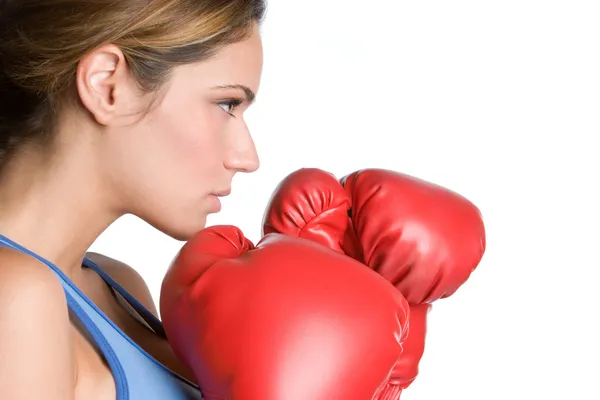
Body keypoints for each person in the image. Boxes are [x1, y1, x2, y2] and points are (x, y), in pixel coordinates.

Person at [0, 0, 266, 398]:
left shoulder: (121, 288)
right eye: (227, 104)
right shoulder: (13, 296)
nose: (247, 157)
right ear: (107, 85)